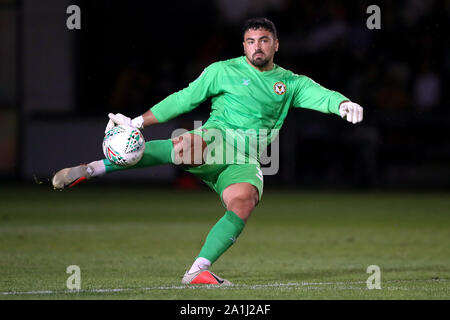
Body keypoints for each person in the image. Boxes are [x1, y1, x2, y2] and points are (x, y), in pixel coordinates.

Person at [52, 18, 363, 285]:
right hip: (216, 138)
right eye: (250, 41)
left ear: (276, 45)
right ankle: (93, 168)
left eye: (264, 41)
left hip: (245, 160)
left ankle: (198, 271)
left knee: (244, 202)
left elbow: (320, 94)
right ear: (243, 46)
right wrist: (137, 121)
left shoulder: (289, 82)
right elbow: (185, 99)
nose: (257, 46)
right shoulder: (221, 71)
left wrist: (343, 104)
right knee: (187, 144)